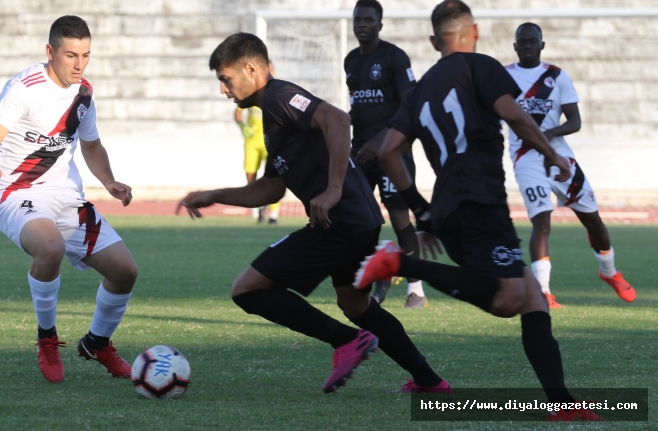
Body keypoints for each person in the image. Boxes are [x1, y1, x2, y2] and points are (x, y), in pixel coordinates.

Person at [355, 1, 603, 421]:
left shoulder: (420, 90)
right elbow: (518, 118)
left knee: (533, 300)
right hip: (479, 202)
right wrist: (554, 156)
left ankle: (561, 405)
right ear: (475, 31)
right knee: (508, 300)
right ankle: (395, 261)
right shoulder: (481, 66)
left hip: (451, 207)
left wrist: (421, 210)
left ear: (435, 42)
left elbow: (388, 149)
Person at [178, 32, 450, 394]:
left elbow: (337, 119)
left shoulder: (278, 96)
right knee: (356, 305)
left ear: (251, 69)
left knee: (247, 289)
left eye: (225, 79)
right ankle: (431, 383)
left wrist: (333, 188)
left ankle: (346, 342)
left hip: (342, 223)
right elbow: (271, 188)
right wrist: (214, 195)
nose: (223, 90)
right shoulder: (270, 119)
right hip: (357, 223)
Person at [0, 15, 137, 383]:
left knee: (124, 271)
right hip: (17, 193)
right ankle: (47, 340)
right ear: (51, 52)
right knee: (49, 248)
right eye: (70, 55)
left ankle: (97, 342)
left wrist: (109, 181)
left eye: (86, 55)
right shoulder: (24, 88)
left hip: (66, 197)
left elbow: (92, 145)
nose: (79, 64)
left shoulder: (84, 93)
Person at [506, 23, 636, 308]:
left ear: (542, 44)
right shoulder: (505, 76)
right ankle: (543, 292)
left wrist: (551, 134)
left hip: (561, 157)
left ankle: (610, 272)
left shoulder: (556, 76)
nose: (527, 46)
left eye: (532, 41)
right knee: (541, 221)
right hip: (525, 158)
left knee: (593, 219)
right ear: (515, 46)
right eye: (522, 42)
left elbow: (575, 121)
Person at [345, 0, 428, 308]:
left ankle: (416, 288)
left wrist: (381, 141)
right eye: (358, 19)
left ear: (380, 24)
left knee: (398, 216)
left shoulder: (394, 57)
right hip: (361, 153)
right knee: (358, 216)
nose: (362, 24)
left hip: (394, 151)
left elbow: (410, 107)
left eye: (368, 19)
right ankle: (372, 272)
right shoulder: (351, 61)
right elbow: (359, 106)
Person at [234, 105, 280, 224]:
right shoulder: (250, 97)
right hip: (251, 141)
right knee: (250, 178)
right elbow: (237, 112)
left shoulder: (270, 95)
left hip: (269, 140)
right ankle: (260, 207)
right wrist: (242, 126)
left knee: (274, 177)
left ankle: (273, 216)